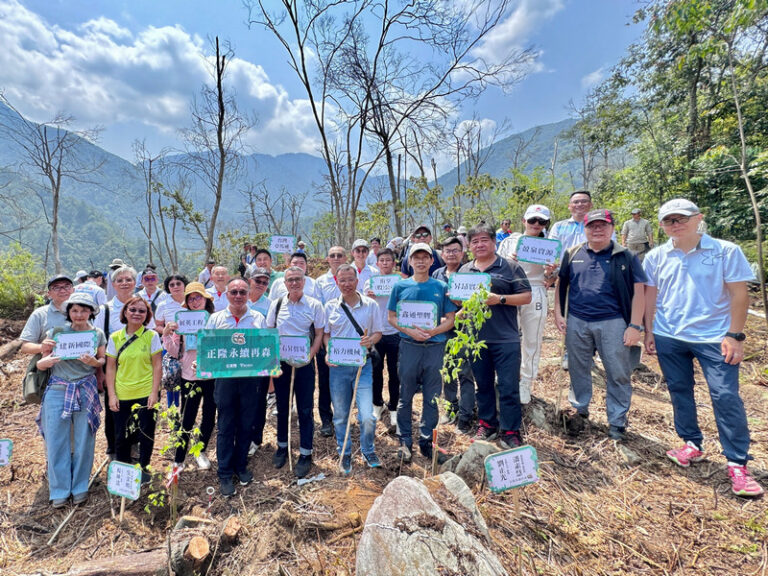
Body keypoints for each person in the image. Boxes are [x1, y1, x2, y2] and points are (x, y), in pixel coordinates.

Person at [643, 199, 763, 497]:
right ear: (661, 225)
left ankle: (737, 462)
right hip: (669, 334)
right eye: (669, 220)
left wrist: (735, 335)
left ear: (698, 218)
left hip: (714, 337)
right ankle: (691, 443)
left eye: (681, 218)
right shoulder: (656, 256)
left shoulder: (725, 251)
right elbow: (650, 296)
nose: (676, 224)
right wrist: (649, 330)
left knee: (725, 395)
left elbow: (739, 294)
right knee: (679, 389)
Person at [554, 209, 646, 441]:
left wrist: (635, 325)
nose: (597, 230)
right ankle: (579, 409)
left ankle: (616, 421)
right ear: (584, 229)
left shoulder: (626, 256)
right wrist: (558, 313)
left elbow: (639, 292)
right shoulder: (572, 253)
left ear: (612, 228)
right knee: (577, 367)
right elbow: (561, 284)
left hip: (613, 321)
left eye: (602, 225)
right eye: (592, 226)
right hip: (577, 319)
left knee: (617, 372)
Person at [459, 224, 532, 448]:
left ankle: (510, 430)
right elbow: (459, 300)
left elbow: (526, 296)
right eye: (474, 241)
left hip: (505, 338)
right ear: (469, 246)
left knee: (508, 386)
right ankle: (487, 424)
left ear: (493, 242)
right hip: (476, 339)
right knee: (483, 385)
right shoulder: (464, 271)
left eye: (484, 240)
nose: (479, 245)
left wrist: (499, 298)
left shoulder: (509, 266)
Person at [388, 243, 457, 464]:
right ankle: (405, 440)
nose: (420, 261)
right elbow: (392, 317)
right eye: (415, 257)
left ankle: (427, 441)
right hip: (409, 347)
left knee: (432, 396)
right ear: (409, 261)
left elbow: (450, 319)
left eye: (424, 257)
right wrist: (410, 332)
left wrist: (433, 331)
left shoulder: (440, 286)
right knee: (405, 395)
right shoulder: (400, 287)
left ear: (430, 261)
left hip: (435, 347)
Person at [36, 293, 106, 507]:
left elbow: (102, 359)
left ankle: (80, 487)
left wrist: (95, 361)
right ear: (68, 313)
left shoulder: (97, 334)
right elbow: (40, 363)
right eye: (74, 310)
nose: (79, 314)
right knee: (56, 440)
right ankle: (59, 490)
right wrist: (46, 361)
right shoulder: (56, 333)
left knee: (85, 439)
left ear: (91, 313)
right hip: (58, 388)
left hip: (85, 388)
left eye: (84, 310)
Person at [205, 278, 269, 496]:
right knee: (225, 425)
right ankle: (224, 472)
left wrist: (272, 365)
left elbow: (266, 348)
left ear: (248, 293)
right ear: (227, 295)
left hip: (251, 380)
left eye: (242, 292)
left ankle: (240, 466)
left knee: (246, 424)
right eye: (234, 292)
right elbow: (208, 347)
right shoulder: (216, 319)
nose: (239, 296)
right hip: (225, 380)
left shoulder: (258, 318)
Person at [266, 267, 325, 478]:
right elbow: (270, 332)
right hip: (282, 364)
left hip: (305, 364)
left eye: (297, 279)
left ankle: (306, 453)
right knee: (283, 407)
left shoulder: (315, 305)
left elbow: (319, 334)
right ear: (284, 283)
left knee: (305, 409)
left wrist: (310, 355)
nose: (294, 283)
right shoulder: (277, 304)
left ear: (304, 281)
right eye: (290, 280)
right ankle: (282, 447)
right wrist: (273, 362)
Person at [325, 264, 382, 473]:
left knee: (367, 415)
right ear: (337, 282)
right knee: (340, 415)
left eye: (350, 279)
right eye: (342, 280)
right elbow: (326, 334)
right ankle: (345, 452)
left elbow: (378, 332)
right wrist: (328, 352)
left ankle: (368, 449)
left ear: (357, 281)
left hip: (362, 366)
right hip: (338, 368)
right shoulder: (330, 306)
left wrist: (370, 341)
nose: (347, 284)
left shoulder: (371, 305)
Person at [497, 205, 557, 404]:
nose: (536, 225)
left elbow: (552, 276)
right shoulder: (509, 241)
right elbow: (496, 266)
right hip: (510, 290)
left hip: (536, 289)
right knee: (506, 337)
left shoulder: (550, 245)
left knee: (533, 338)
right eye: (532, 220)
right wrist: (509, 261)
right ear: (524, 221)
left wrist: (550, 271)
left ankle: (526, 382)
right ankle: (503, 376)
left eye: (541, 221)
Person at [105, 296, 162, 484]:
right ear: (125, 312)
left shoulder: (151, 336)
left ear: (147, 315)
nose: (137, 313)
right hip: (122, 394)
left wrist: (154, 392)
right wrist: (111, 395)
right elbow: (111, 367)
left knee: (146, 434)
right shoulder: (115, 337)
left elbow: (157, 366)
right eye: (133, 310)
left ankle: (144, 468)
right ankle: (123, 472)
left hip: (145, 393)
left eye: (141, 311)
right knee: (121, 435)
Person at [162, 283, 216, 474]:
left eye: (198, 297)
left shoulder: (214, 320)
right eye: (191, 298)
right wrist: (167, 335)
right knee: (187, 417)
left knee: (209, 415)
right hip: (188, 375)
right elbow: (175, 351)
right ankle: (179, 459)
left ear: (205, 300)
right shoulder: (181, 322)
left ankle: (199, 450)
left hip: (211, 375)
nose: (195, 302)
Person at [432, 236, 476, 433]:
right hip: (442, 331)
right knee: (447, 372)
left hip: (465, 331)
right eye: (447, 251)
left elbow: (475, 301)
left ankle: (466, 415)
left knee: (465, 373)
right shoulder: (437, 274)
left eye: (455, 250)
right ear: (442, 254)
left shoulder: (470, 273)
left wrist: (455, 317)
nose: (451, 254)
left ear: (462, 253)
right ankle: (451, 408)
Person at [364, 248, 401, 430]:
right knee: (375, 372)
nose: (385, 263)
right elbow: (363, 306)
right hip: (376, 334)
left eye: (389, 260)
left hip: (395, 333)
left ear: (394, 263)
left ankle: (394, 406)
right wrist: (368, 297)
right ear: (377, 264)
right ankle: (377, 404)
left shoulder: (401, 283)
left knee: (395, 373)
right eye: (382, 260)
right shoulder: (369, 284)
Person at [314, 246, 349, 435]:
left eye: (339, 255)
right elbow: (319, 310)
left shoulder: (352, 277)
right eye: (332, 255)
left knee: (346, 381)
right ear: (327, 259)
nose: (336, 258)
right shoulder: (320, 282)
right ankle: (326, 420)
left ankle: (343, 418)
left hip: (349, 340)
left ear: (345, 257)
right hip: (328, 338)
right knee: (325, 382)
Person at [20, 274, 74, 357]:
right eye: (56, 287)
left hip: (83, 366)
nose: (62, 291)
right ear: (49, 294)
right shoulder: (40, 314)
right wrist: (42, 347)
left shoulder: (85, 312)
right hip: (51, 366)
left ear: (73, 290)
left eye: (67, 286)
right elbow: (25, 347)